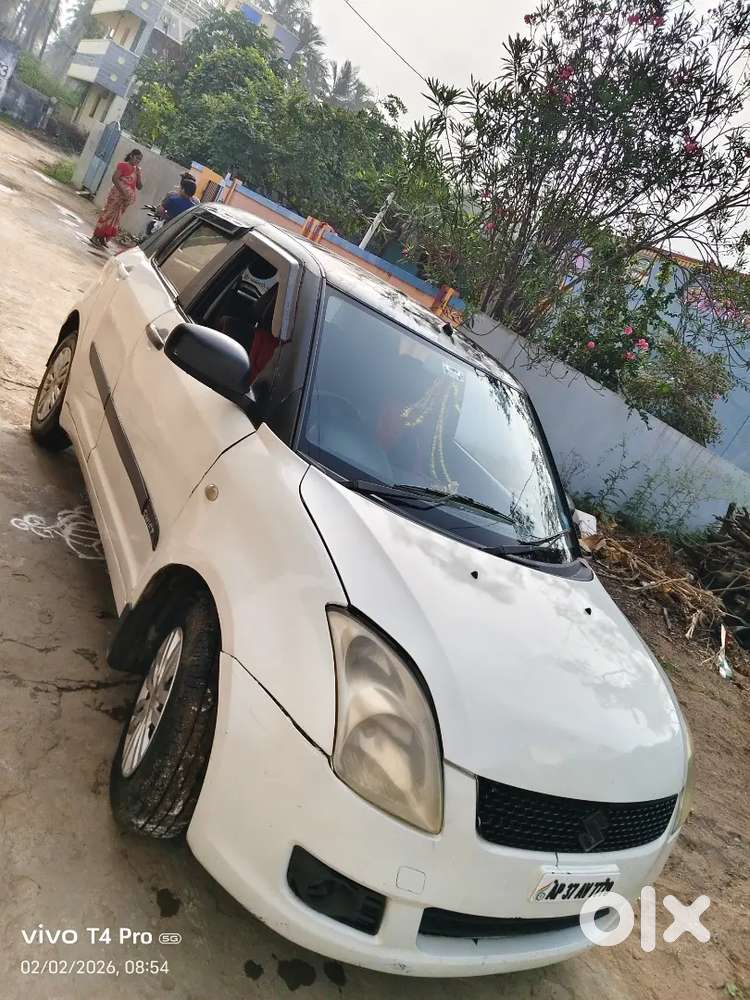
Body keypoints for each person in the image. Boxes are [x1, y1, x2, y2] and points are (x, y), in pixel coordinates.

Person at [90, 149, 143, 248]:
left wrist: (139, 175)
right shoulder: (123, 165)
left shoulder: (137, 170)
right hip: (116, 195)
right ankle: (95, 236)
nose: (138, 161)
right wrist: (123, 192)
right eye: (137, 158)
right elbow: (115, 178)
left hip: (124, 201)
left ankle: (103, 238)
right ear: (131, 156)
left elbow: (139, 187)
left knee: (115, 219)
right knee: (107, 215)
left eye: (140, 159)